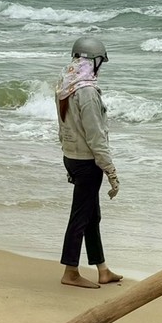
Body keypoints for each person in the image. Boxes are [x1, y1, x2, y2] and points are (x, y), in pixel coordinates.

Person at [55, 34, 120, 289]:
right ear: (94, 61)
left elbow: (63, 127)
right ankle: (70, 271)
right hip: (87, 162)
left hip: (71, 157)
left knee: (92, 216)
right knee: (81, 217)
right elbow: (95, 137)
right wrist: (110, 170)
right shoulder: (88, 92)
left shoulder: (64, 84)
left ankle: (102, 269)